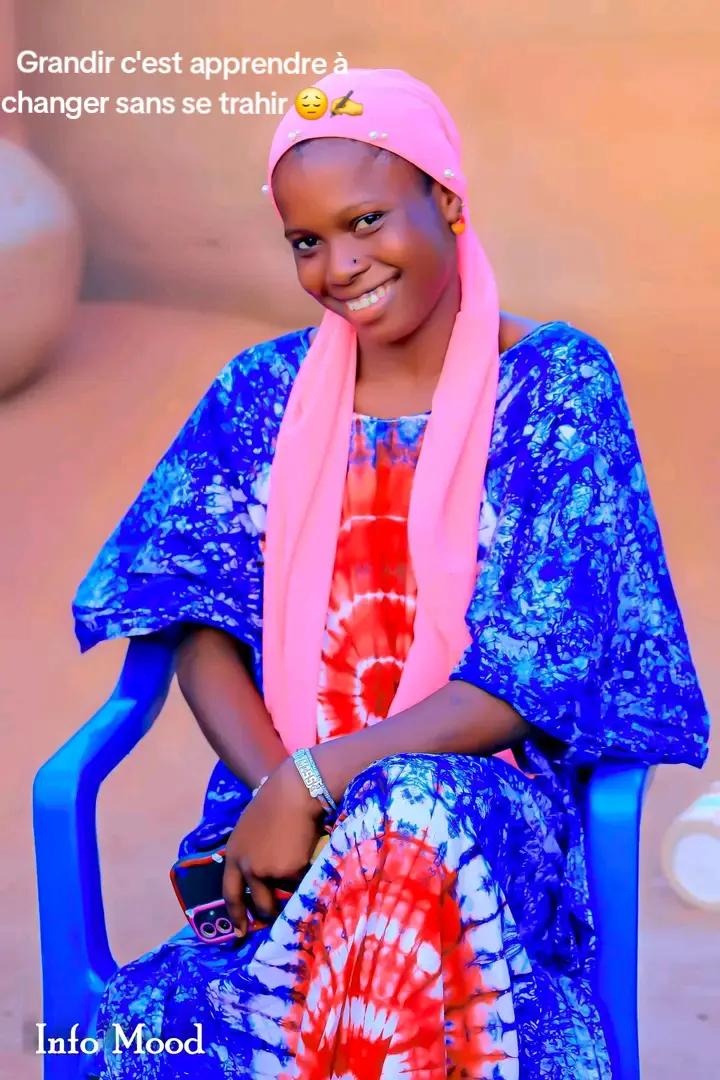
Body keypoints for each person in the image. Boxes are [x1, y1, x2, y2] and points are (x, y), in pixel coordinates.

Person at [73, 68, 709, 1079]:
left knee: (409, 819)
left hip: (485, 823)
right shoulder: (260, 395)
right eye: (306, 241)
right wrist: (280, 789)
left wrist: (322, 783)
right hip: (278, 817)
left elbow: (529, 673)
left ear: (447, 200)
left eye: (366, 220)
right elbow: (193, 612)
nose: (339, 265)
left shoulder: (554, 388)